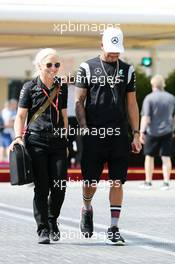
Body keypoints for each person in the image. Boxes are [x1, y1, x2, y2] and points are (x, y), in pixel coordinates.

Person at [75, 27, 142, 245]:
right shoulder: (86, 67)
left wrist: (136, 133)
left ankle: (113, 227)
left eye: (118, 51)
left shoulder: (127, 70)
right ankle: (86, 208)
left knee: (117, 181)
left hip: (119, 135)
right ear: (101, 45)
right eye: (111, 50)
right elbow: (79, 101)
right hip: (94, 133)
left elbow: (132, 103)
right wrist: (84, 127)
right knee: (90, 181)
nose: (114, 55)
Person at [9, 48, 68, 244]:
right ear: (40, 66)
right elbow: (20, 116)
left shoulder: (62, 86)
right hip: (37, 142)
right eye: (49, 65)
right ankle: (43, 229)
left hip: (58, 143)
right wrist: (18, 137)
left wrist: (66, 138)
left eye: (57, 65)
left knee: (59, 186)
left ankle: (52, 220)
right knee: (42, 188)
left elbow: (64, 115)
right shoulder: (29, 87)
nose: (54, 68)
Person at [140, 74, 175, 190]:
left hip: (152, 132)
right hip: (167, 131)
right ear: (163, 84)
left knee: (149, 157)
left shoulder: (149, 98)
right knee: (166, 157)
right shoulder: (171, 98)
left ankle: (148, 182)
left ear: (153, 85)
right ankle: (166, 183)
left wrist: (141, 132)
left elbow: (146, 117)